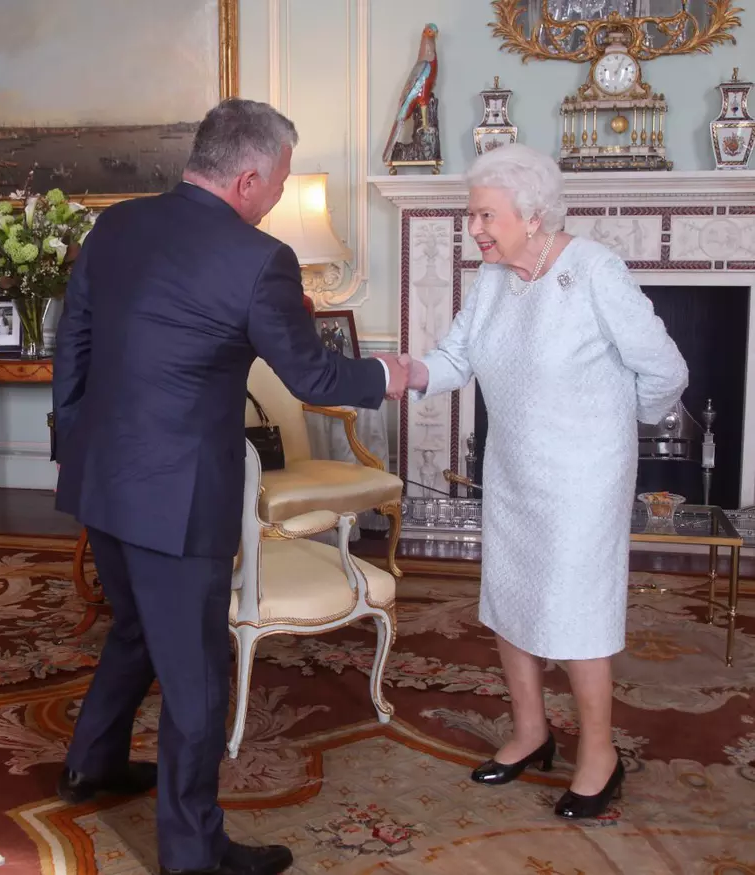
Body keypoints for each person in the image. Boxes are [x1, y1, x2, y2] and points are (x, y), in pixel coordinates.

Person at [52, 97, 408, 875]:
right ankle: (192, 852)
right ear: (248, 177)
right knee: (199, 675)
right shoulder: (258, 259)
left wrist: (72, 441)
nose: (278, 195)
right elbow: (314, 373)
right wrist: (388, 372)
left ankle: (92, 764)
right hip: (176, 503)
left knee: (137, 629)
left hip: (99, 477)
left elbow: (71, 338)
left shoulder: (117, 225)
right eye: (278, 180)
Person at [396, 143, 688, 819]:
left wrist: (621, 421)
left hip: (584, 474)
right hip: (515, 468)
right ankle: (530, 731)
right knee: (511, 596)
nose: (475, 229)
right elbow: (454, 356)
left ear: (531, 215)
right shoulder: (495, 279)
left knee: (577, 611)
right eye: (472, 215)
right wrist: (401, 374)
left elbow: (666, 369)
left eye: (486, 215)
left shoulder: (593, 271)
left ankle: (600, 754)